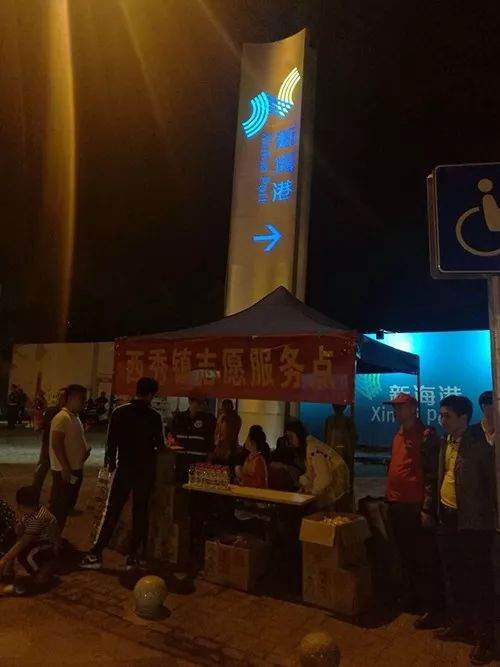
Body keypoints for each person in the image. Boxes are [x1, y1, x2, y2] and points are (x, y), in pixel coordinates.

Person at [436, 395, 496, 666]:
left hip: (473, 524)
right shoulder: (446, 441)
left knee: (479, 581)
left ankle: (486, 639)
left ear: (463, 418)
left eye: (447, 416)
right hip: (448, 517)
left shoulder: (480, 443)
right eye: (441, 415)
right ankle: (460, 623)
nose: (442, 420)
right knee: (454, 574)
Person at [80, 377, 164, 570]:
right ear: (151, 394)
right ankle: (134, 557)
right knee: (140, 513)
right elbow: (160, 445)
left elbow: (111, 442)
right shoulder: (154, 416)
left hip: (124, 468)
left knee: (112, 512)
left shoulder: (120, 412)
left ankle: (96, 553)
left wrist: (110, 464)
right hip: (145, 471)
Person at [384, 392, 444, 629]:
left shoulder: (426, 436)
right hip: (397, 503)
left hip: (414, 505)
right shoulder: (398, 435)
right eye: (395, 407)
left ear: (413, 408)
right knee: (406, 554)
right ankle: (413, 598)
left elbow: (431, 475)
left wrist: (427, 507)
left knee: (423, 558)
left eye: (400, 407)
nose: (396, 411)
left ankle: (432, 608)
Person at [0, 486, 59, 594]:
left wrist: (3, 561)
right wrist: (19, 527)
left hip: (47, 547)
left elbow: (23, 542)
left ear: (21, 505)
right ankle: (36, 574)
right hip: (40, 543)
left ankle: (40, 577)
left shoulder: (37, 518)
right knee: (16, 541)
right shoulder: (34, 511)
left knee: (27, 555)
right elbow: (19, 533)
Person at [49, 384, 90, 532]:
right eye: (81, 399)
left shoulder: (74, 417)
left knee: (67, 504)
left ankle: (55, 535)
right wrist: (65, 467)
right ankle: (50, 536)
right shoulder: (62, 417)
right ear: (71, 398)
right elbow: (56, 443)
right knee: (59, 507)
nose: (84, 402)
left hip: (74, 468)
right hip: (65, 471)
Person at [286, 421, 349, 507]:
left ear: (298, 434)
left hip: (337, 481)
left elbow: (323, 478)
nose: (289, 441)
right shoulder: (309, 447)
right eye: (288, 437)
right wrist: (305, 487)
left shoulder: (313, 448)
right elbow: (311, 473)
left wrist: (311, 493)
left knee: (316, 507)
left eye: (291, 436)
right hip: (333, 481)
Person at [32, 389, 67, 504]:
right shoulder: (52, 411)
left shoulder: (68, 413)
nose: (61, 399)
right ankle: (33, 499)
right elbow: (42, 426)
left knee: (58, 476)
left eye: (63, 397)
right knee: (40, 473)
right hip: (48, 446)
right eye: (59, 396)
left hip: (61, 448)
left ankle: (55, 501)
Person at [213, 399, 242, 464]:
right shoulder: (225, 418)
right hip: (225, 449)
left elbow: (226, 434)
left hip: (227, 449)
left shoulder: (226, 419)